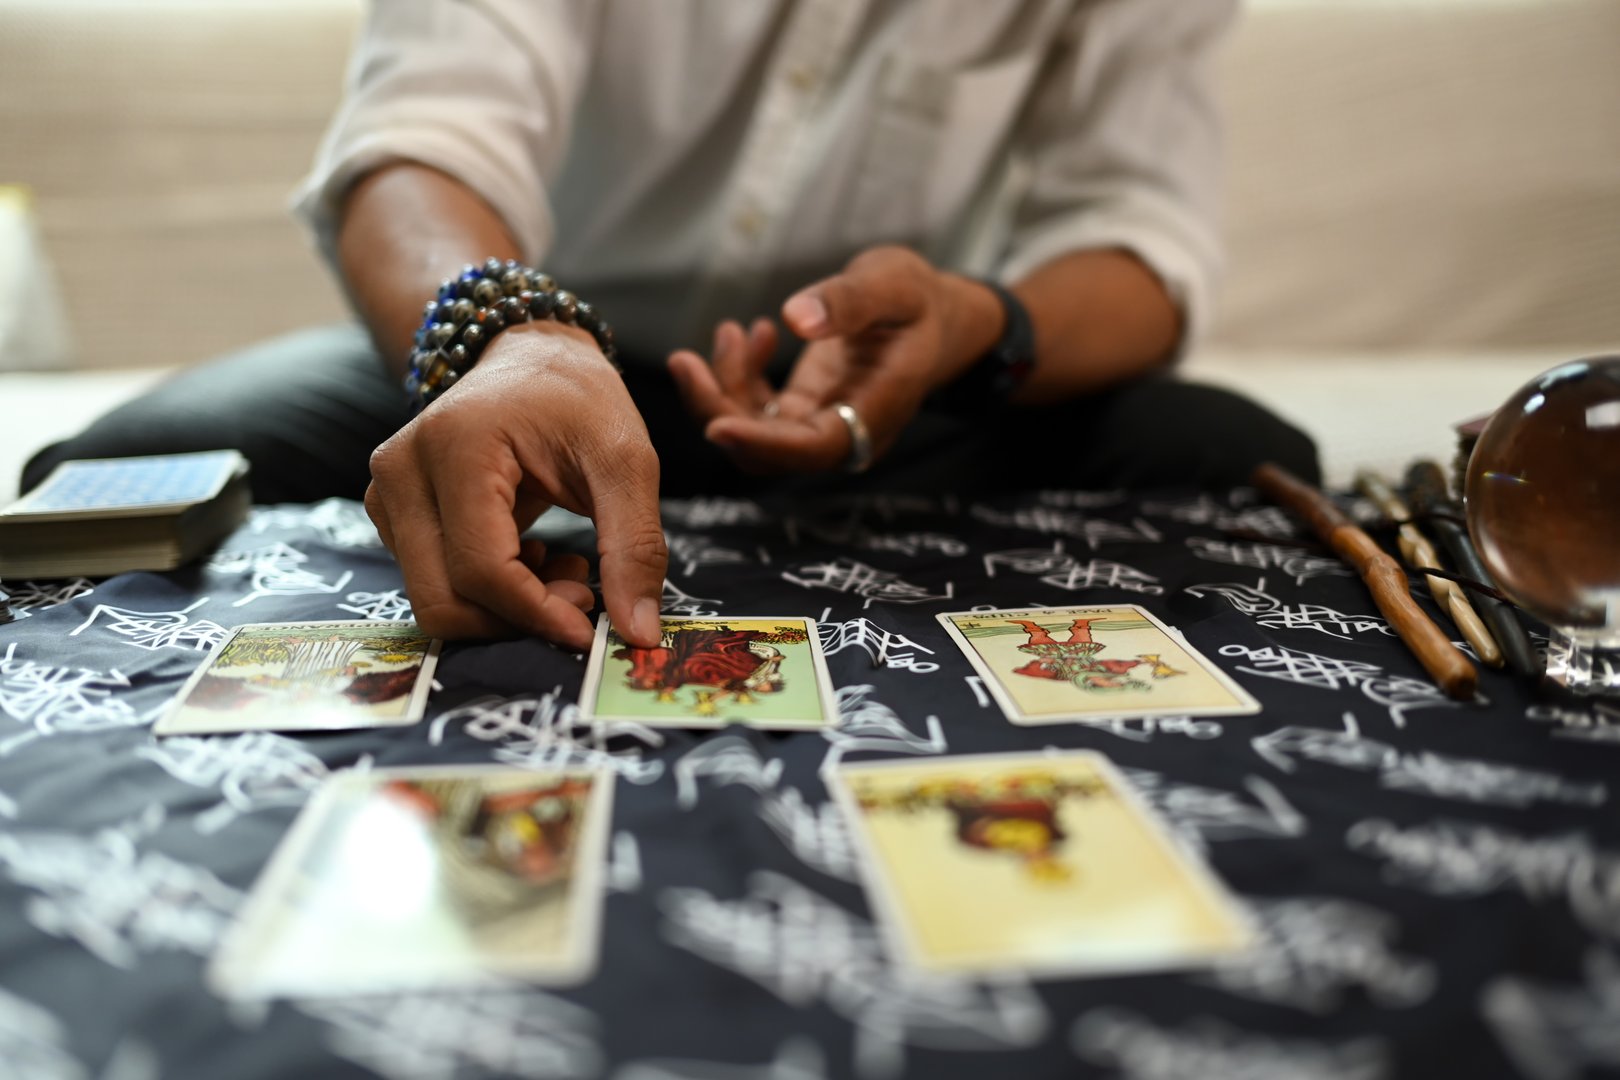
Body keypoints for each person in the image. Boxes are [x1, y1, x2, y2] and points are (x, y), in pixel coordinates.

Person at [21, 0, 1319, 653]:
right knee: (124, 474)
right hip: (524, 358)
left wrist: (974, 322)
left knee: (1244, 456)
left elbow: (1141, 236)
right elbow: (420, 141)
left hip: (887, 398)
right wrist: (521, 339)